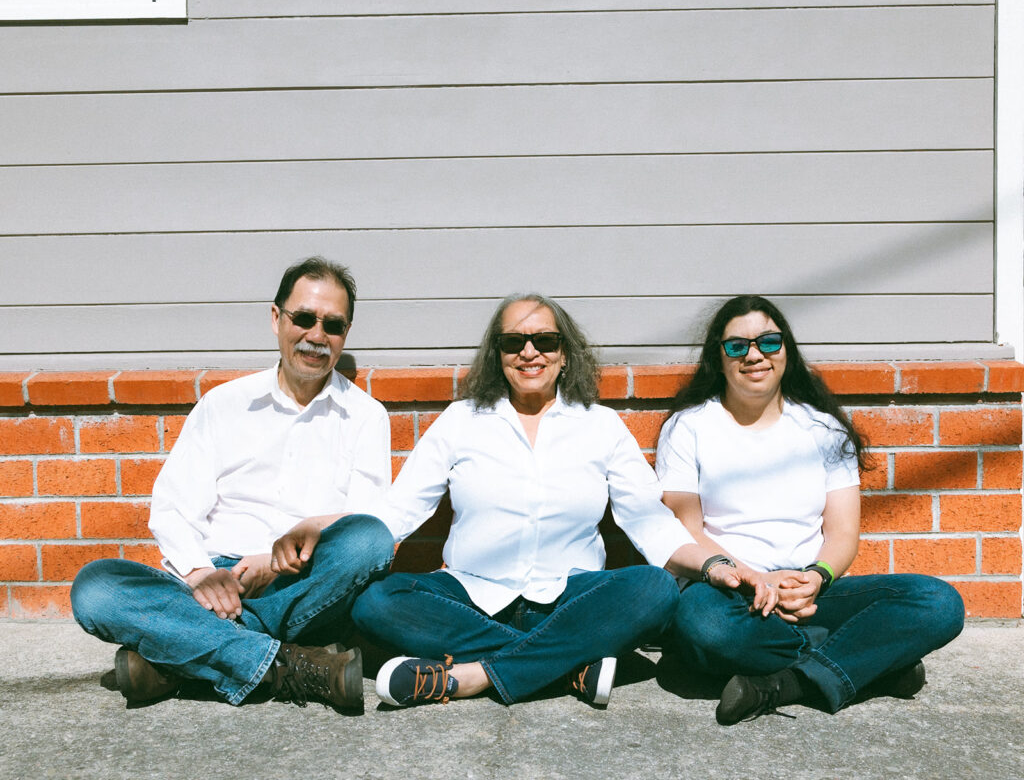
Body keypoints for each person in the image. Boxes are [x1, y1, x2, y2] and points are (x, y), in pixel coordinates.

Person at [273, 293, 716, 708]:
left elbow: (649, 522)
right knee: (377, 602)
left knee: (655, 589)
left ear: (564, 354)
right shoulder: (461, 421)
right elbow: (400, 509)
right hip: (469, 594)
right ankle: (566, 666)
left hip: (570, 595)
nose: (529, 352)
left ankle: (470, 676)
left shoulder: (600, 425)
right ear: (497, 353)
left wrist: (716, 566)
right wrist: (329, 527)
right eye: (513, 342)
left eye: (544, 341)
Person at [71, 256, 394, 710]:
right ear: (276, 318)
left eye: (333, 325)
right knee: (95, 588)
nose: (317, 336)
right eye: (303, 318)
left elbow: (367, 517)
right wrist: (203, 575)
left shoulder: (365, 416)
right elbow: (172, 508)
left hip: (299, 584)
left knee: (370, 540)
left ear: (346, 333)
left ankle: (175, 658)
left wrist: (276, 560)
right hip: (213, 578)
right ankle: (289, 665)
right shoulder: (224, 405)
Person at [655, 294, 965, 724]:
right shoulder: (688, 427)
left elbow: (842, 534)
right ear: (719, 357)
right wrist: (756, 579)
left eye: (768, 341)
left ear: (786, 349)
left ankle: (784, 683)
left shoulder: (823, 428)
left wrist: (816, 579)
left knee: (938, 601)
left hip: (811, 592)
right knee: (702, 626)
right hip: (729, 592)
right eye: (737, 346)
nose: (754, 355)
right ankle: (868, 662)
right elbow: (684, 532)